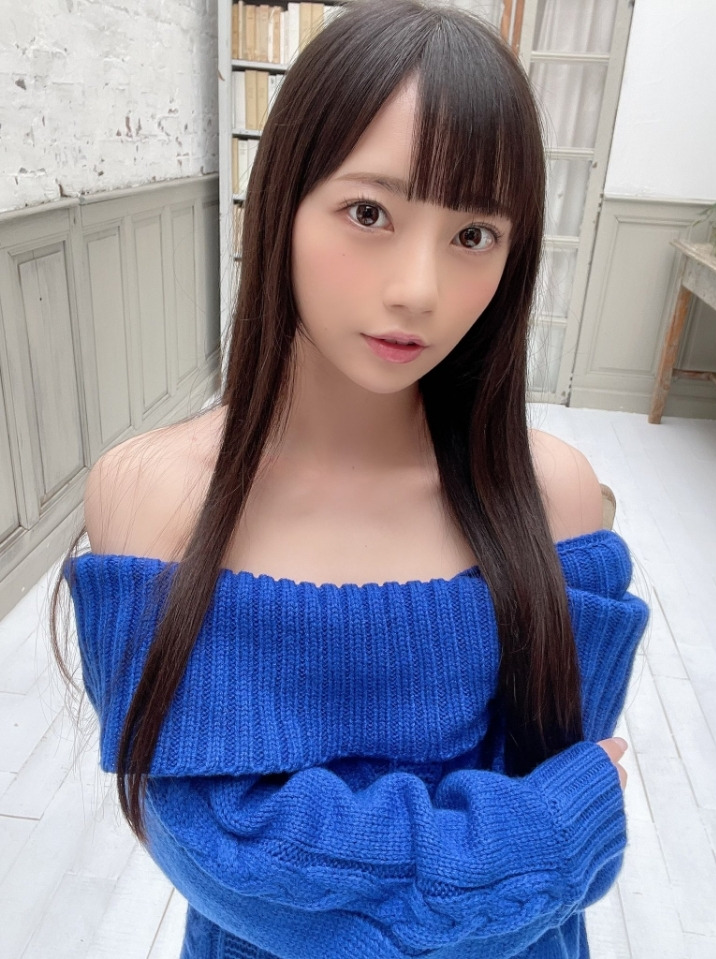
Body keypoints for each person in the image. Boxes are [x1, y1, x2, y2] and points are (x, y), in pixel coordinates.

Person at [51, 1, 649, 957]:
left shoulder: (552, 497)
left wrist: (539, 837)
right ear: (280, 202)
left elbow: (562, 780)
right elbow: (233, 859)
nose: (417, 288)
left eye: (472, 235)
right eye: (369, 213)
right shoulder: (157, 494)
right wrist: (540, 840)